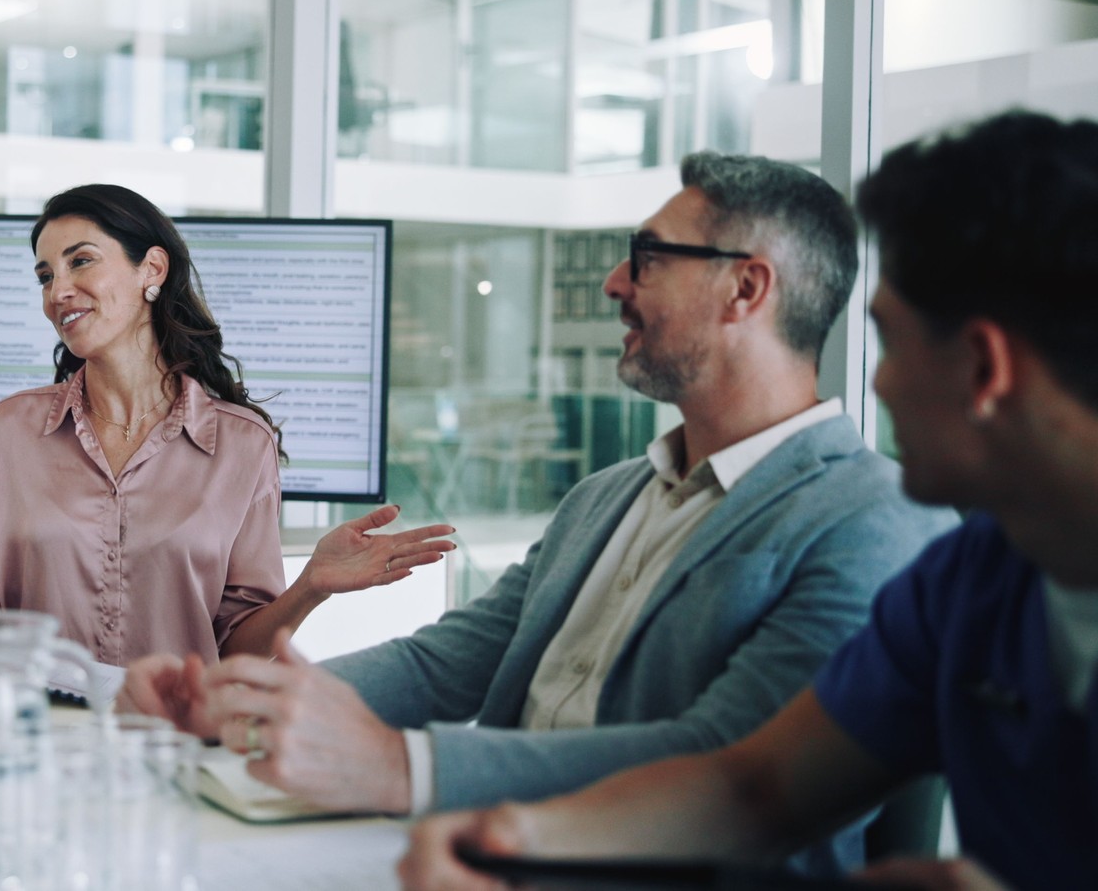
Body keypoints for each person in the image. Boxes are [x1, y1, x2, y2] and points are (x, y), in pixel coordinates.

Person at [122, 153, 957, 874]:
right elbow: (447, 662)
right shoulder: (607, 496)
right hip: (485, 860)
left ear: (747, 287)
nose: (614, 283)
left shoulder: (873, 522)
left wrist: (404, 766)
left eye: (649, 258)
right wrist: (245, 699)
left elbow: (729, 765)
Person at [395, 111, 1098, 891]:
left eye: (891, 343)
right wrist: (511, 834)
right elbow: (752, 785)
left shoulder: (889, 525)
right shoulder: (972, 578)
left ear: (983, 368)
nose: (877, 383)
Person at [0, 184, 454, 665]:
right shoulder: (11, 430)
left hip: (176, 743)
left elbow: (236, 649)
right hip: (36, 741)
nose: (57, 290)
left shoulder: (243, 445)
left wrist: (310, 587)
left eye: (81, 260)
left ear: (152, 268)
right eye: (44, 274)